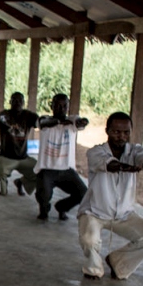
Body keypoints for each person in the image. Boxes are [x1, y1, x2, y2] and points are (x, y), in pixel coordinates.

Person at [78, 112, 143, 280]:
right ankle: (94, 269)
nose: (121, 136)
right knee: (90, 239)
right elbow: (109, 164)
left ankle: (118, 262)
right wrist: (125, 167)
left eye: (126, 132)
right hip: (94, 212)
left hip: (124, 214)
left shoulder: (135, 151)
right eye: (116, 132)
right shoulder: (96, 152)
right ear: (107, 131)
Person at [34, 93, 89, 221]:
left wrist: (83, 122)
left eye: (64, 106)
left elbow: (80, 123)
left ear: (68, 107)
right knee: (43, 194)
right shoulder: (44, 120)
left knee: (83, 194)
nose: (61, 108)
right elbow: (42, 122)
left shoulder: (72, 121)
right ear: (51, 106)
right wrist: (60, 121)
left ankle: (62, 207)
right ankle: (44, 209)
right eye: (58, 105)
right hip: (47, 169)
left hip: (66, 170)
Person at [0, 92, 38, 197]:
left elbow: (38, 121)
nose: (17, 103)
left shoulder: (28, 115)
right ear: (10, 102)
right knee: (0, 175)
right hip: (7, 157)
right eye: (14, 100)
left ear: (23, 102)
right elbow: (3, 120)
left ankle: (20, 182)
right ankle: (3, 189)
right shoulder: (4, 114)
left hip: (23, 158)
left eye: (20, 100)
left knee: (40, 172)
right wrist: (12, 126)